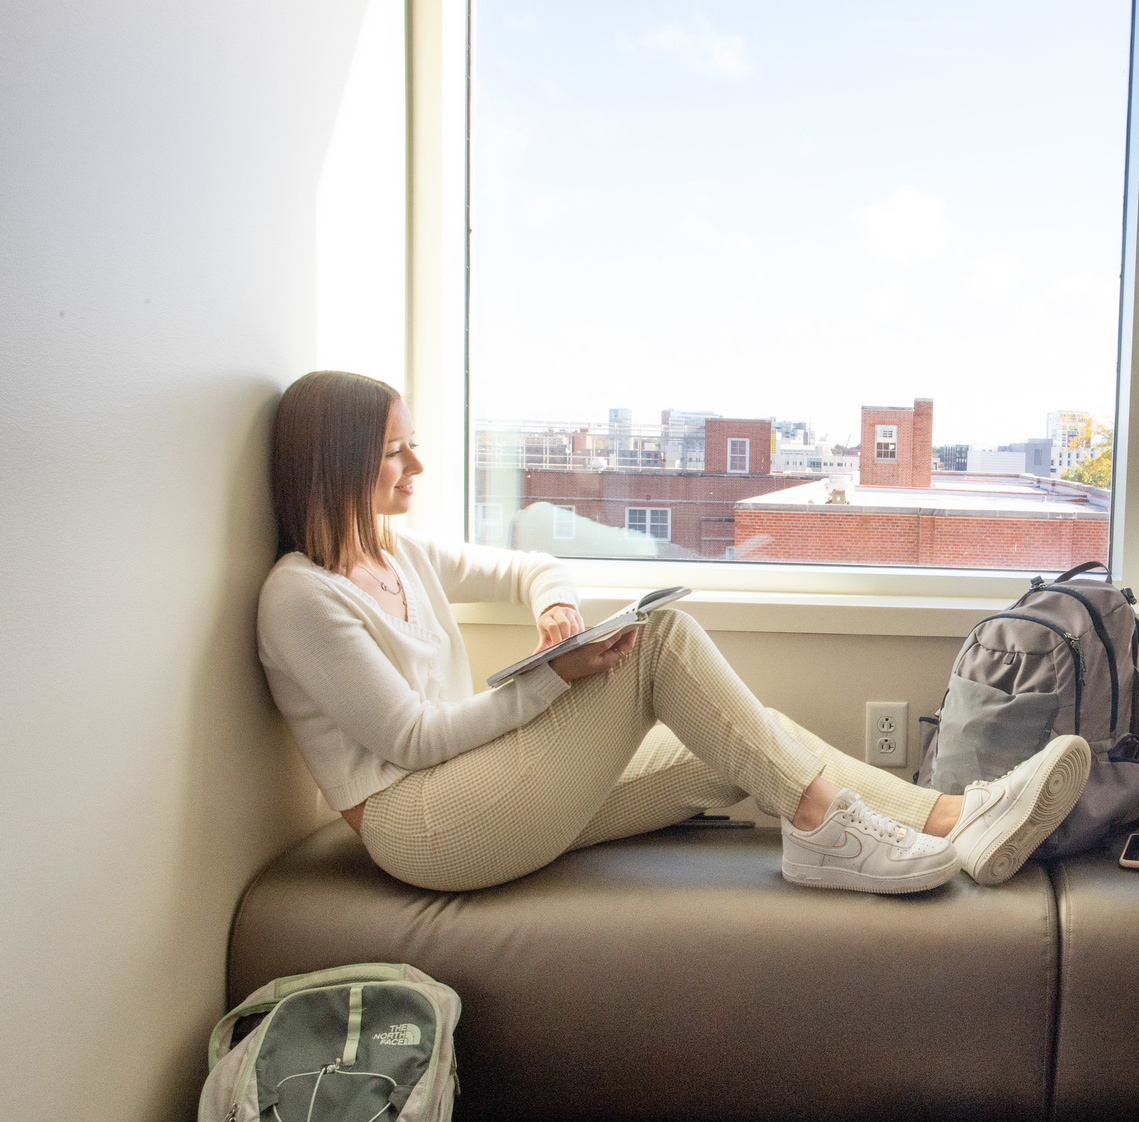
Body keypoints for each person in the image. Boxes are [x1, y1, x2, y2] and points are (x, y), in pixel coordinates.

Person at [256, 371, 1090, 895]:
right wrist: (556, 677)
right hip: (424, 828)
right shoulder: (300, 597)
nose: (417, 467)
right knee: (657, 639)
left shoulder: (398, 551)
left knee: (741, 738)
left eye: (414, 446)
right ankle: (822, 830)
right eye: (396, 452)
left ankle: (954, 818)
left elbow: (531, 567)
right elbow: (410, 739)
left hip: (479, 789)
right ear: (338, 461)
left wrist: (554, 609)